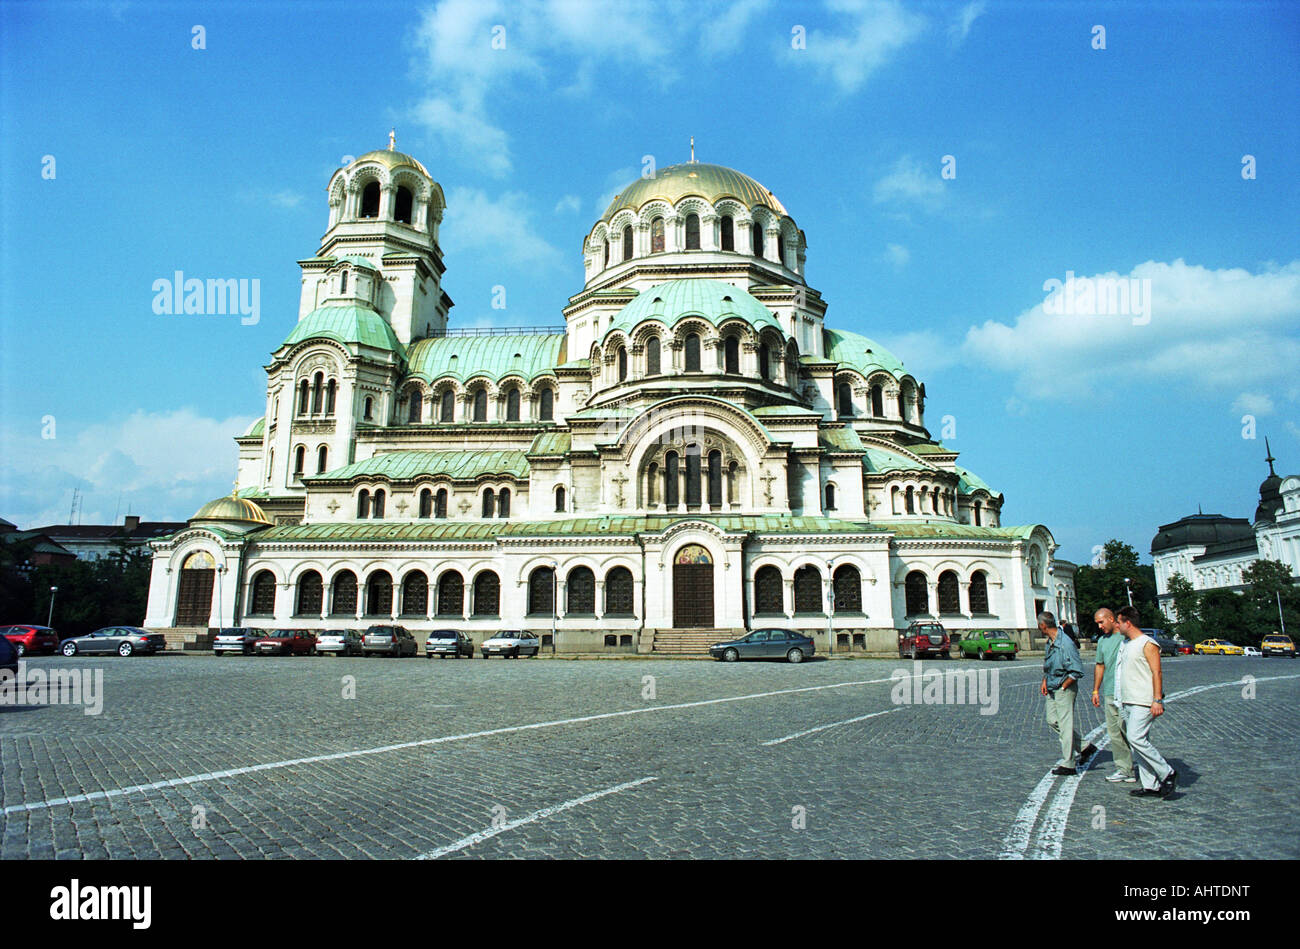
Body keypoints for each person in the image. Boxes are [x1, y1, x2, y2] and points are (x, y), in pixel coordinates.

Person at [1114, 605, 1177, 798]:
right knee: (1138, 743)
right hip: (1128, 700)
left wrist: (1157, 699)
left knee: (1135, 737)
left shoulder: (1147, 643)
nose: (1116, 625)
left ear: (1128, 622)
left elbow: (1156, 672)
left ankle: (1167, 772)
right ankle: (1151, 785)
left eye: (1118, 621)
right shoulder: (1125, 644)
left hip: (1145, 700)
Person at [1090, 608, 1135, 783]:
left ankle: (1147, 768)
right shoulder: (1102, 641)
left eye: (1101, 622)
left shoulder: (1125, 636)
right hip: (1110, 691)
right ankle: (1125, 769)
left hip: (1128, 692)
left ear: (1111, 619)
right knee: (1115, 733)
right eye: (1097, 624)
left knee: (1131, 732)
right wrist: (1095, 690)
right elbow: (1099, 665)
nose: (1099, 626)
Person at [1039, 611, 1085, 775]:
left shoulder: (1065, 643)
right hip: (1052, 685)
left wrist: (1065, 686)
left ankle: (1069, 763)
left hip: (1063, 687)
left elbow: (1077, 670)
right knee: (1052, 720)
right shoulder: (1050, 642)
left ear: (1043, 625)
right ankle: (1085, 746)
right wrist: (1045, 679)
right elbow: (1049, 663)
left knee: (1065, 725)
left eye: (1039, 625)